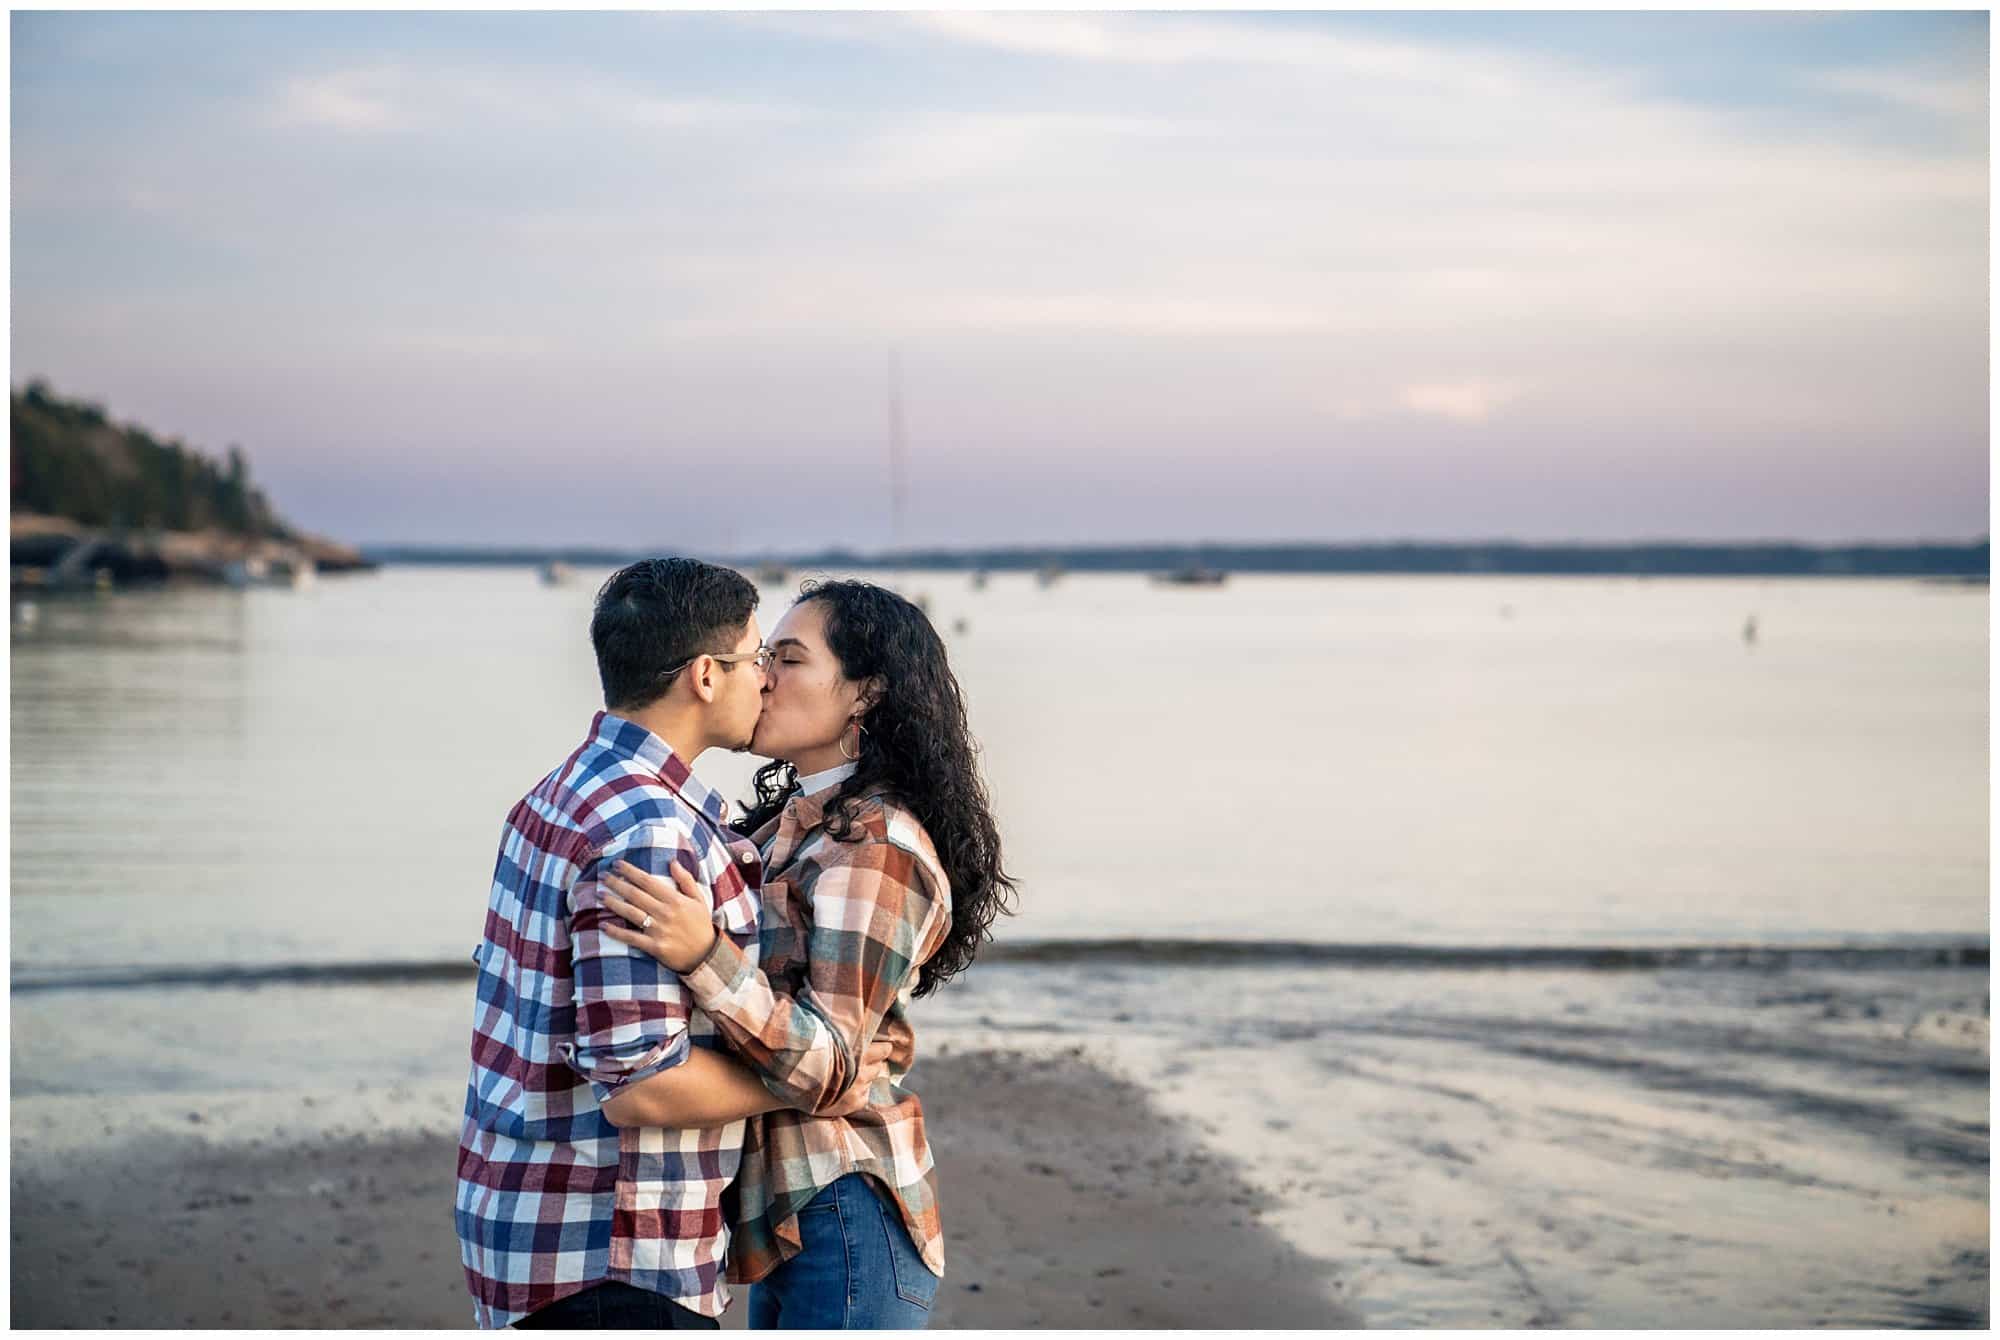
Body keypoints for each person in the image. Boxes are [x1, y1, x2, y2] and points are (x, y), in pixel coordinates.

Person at [454, 558, 893, 1330]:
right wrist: (822, 1083)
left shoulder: (556, 794)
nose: (765, 680)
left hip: (525, 1225)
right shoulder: (649, 830)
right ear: (703, 676)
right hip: (612, 1254)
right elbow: (643, 1088)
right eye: (757, 658)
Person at [596, 578, 1016, 1329]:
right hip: (782, 1214)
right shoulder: (789, 826)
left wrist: (705, 954)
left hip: (844, 1205)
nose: (761, 677)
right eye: (764, 657)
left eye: (788, 659)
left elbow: (829, 1065)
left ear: (864, 694)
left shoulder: (879, 847)